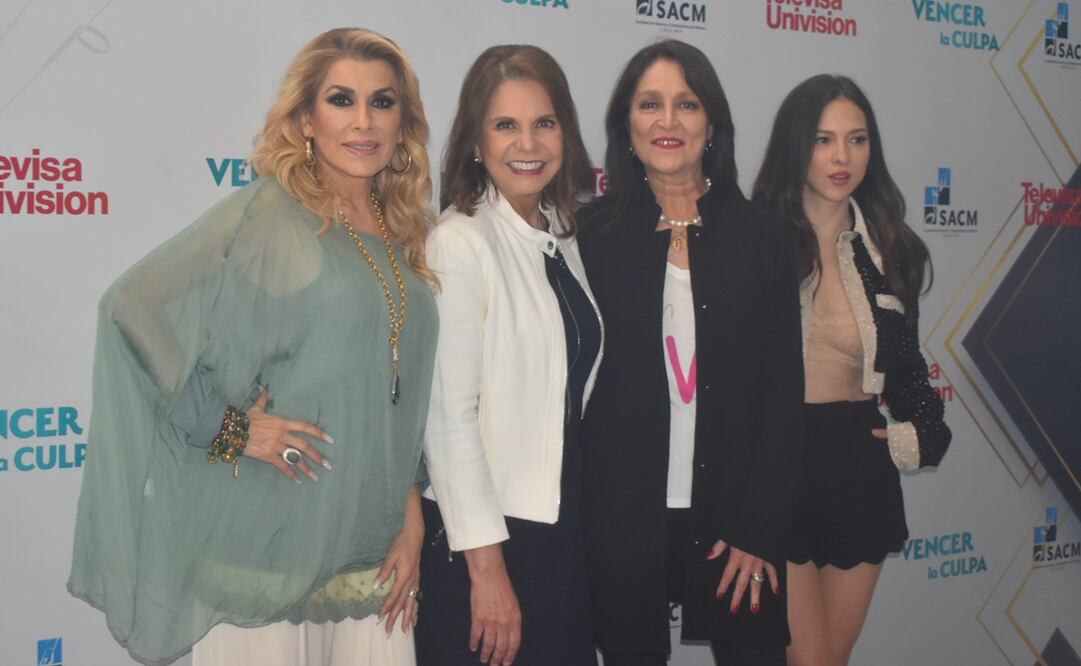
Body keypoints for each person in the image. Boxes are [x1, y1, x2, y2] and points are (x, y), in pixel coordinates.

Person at [67, 28, 438, 666]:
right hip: (265, 548)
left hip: (369, 554)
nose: (363, 121)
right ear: (307, 119)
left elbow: (392, 388)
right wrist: (230, 427)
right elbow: (132, 306)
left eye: (382, 102)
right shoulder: (273, 213)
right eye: (341, 100)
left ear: (402, 121)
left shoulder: (402, 230)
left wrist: (411, 510)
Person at [576, 40, 804, 665]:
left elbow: (783, 395)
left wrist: (760, 528)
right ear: (626, 124)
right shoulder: (588, 236)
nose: (668, 121)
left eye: (687, 104)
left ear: (712, 124)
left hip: (739, 522)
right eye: (650, 104)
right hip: (622, 521)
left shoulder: (763, 235)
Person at [751, 74, 952, 666]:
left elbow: (910, 372)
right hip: (773, 464)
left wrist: (917, 436)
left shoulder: (894, 249)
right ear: (796, 145)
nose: (842, 157)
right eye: (824, 140)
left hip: (856, 468)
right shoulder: (753, 239)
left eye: (857, 139)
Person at [416, 45, 601, 666]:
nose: (528, 143)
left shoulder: (559, 234)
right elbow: (449, 420)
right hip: (487, 540)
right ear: (476, 141)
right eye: (505, 125)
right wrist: (488, 570)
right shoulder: (460, 242)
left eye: (544, 122)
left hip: (558, 526)